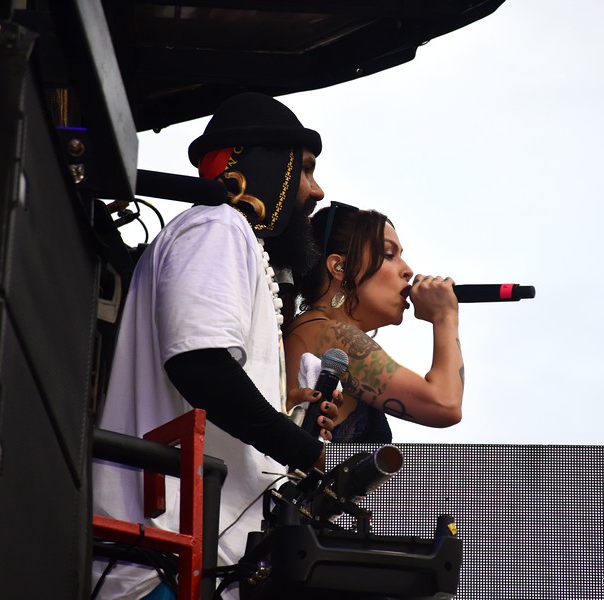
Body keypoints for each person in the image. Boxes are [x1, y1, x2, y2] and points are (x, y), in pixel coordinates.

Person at [91, 92, 340, 600]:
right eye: (306, 169)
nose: (316, 191)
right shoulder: (216, 227)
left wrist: (287, 414)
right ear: (271, 167)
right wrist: (301, 449)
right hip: (163, 560)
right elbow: (199, 365)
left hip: (197, 559)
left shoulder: (228, 238)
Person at [284, 202, 464, 443]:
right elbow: (444, 404)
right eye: (389, 255)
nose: (408, 271)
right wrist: (445, 317)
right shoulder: (329, 334)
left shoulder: (310, 329)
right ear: (339, 266)